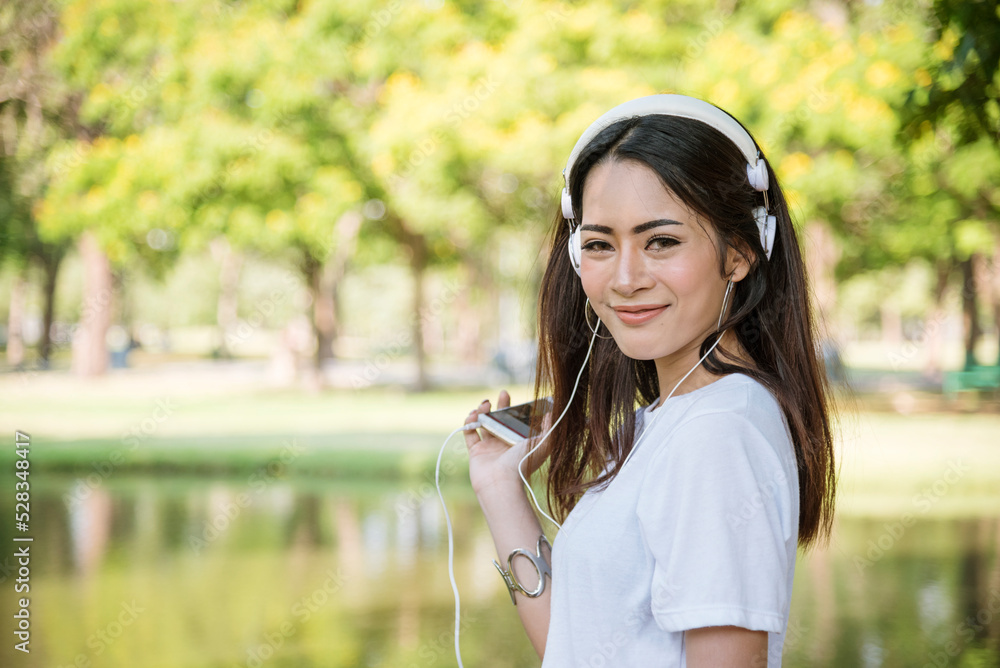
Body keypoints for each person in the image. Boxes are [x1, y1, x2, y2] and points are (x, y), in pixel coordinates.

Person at [462, 94, 837, 667]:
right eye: (599, 245)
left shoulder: (717, 434)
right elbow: (576, 649)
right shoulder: (668, 420)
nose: (626, 277)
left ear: (740, 252)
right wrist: (500, 489)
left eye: (661, 240)